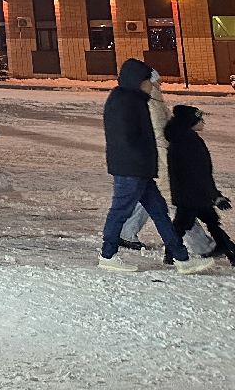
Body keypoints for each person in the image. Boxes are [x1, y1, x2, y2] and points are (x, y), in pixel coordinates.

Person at [98, 58, 213, 274]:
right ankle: (107, 254)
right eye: (148, 81)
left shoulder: (133, 99)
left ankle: (182, 259)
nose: (151, 85)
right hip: (131, 169)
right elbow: (126, 138)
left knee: (160, 212)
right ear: (137, 81)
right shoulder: (126, 101)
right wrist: (142, 160)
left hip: (140, 169)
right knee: (120, 211)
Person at [166, 105, 235, 266]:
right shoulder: (189, 142)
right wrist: (215, 195)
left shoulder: (181, 139)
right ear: (191, 122)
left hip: (189, 193)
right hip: (193, 195)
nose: (203, 122)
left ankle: (229, 252)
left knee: (209, 223)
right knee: (185, 225)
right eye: (200, 119)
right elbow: (200, 173)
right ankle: (172, 254)